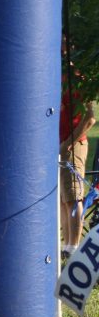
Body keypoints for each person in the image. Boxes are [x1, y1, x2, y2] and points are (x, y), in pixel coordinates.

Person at [60, 56, 96, 258]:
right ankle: (67, 246)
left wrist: (69, 143)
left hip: (74, 144)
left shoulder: (79, 80)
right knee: (65, 199)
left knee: (74, 197)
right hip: (61, 146)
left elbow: (90, 118)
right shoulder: (61, 80)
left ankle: (74, 247)